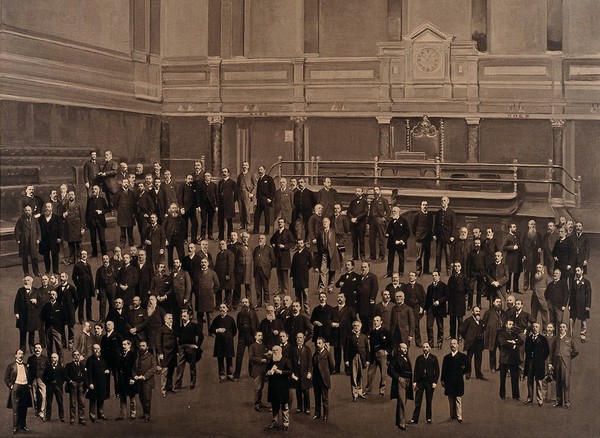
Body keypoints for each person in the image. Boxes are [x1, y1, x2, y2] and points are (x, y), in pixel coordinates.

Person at [549, 322, 578, 409]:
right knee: (558, 382)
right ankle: (559, 401)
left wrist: (568, 357)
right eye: (560, 327)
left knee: (566, 383)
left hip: (565, 364)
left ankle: (567, 402)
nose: (561, 328)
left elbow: (576, 350)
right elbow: (551, 352)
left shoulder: (570, 339)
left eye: (563, 327)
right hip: (557, 363)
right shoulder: (556, 340)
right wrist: (551, 363)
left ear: (566, 329)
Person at [410, 342, 439, 425]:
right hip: (420, 382)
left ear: (430, 348)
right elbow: (415, 371)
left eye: (427, 347)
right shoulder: (419, 358)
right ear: (422, 349)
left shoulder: (434, 358)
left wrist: (435, 382)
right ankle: (414, 419)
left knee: (429, 401)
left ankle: (428, 418)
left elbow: (437, 371)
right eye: (424, 347)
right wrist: (415, 382)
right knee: (418, 401)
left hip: (429, 382)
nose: (425, 349)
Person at [441, 339, 468, 423]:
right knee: (450, 399)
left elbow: (467, 368)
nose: (452, 345)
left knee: (458, 398)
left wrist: (461, 373)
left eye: (454, 344)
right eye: (451, 344)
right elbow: (444, 370)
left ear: (457, 345)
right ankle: (452, 415)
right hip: (449, 381)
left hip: (458, 381)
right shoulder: (446, 358)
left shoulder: (463, 357)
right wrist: (442, 380)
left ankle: (459, 416)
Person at [265, 345, 292, 431]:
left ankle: (286, 423)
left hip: (283, 387)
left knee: (284, 406)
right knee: (274, 405)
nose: (275, 351)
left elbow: (290, 372)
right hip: (273, 387)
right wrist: (268, 373)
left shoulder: (286, 360)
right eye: (273, 350)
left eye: (277, 350)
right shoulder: (271, 362)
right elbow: (267, 372)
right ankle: (275, 422)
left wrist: (281, 372)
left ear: (280, 351)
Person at [175, 308, 203, 389]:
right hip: (182, 349)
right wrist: (178, 348)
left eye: (184, 316)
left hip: (191, 348)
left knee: (192, 367)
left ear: (189, 316)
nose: (183, 318)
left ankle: (192, 383)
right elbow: (177, 339)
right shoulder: (180, 328)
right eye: (182, 316)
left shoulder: (194, 326)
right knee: (180, 367)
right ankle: (177, 385)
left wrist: (197, 345)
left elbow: (201, 336)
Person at [5, 349, 32, 434]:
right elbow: (6, 378)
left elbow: (30, 376)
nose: (21, 355)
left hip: (25, 387)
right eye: (19, 353)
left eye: (22, 354)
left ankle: (23, 426)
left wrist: (29, 384)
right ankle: (15, 427)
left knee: (24, 408)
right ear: (15, 355)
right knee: (16, 409)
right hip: (16, 387)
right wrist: (11, 386)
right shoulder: (11, 366)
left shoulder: (26, 365)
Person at [331, 293, 358, 375]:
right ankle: (337, 368)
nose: (339, 298)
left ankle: (348, 369)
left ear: (345, 299)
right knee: (336, 353)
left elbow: (354, 320)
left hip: (347, 334)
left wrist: (354, 330)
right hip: (336, 335)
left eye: (341, 297)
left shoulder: (350, 309)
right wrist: (332, 324)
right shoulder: (333, 310)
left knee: (347, 352)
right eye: (338, 297)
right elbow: (328, 319)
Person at [387, 343, 413, 430]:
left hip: (408, 381)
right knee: (401, 402)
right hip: (401, 382)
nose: (405, 349)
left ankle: (400, 421)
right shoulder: (395, 358)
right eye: (403, 348)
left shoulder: (406, 358)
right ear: (399, 349)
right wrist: (398, 378)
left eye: (406, 348)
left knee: (403, 401)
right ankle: (402, 423)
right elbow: (390, 370)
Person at [523, 322, 550, 406]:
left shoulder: (543, 339)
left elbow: (547, 351)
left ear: (540, 329)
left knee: (539, 382)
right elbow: (526, 351)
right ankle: (529, 398)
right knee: (529, 381)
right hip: (530, 362)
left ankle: (540, 400)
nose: (535, 328)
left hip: (538, 363)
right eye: (533, 327)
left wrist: (541, 359)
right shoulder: (528, 339)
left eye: (537, 327)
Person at [209, 303, 237, 382]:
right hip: (219, 343)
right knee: (220, 360)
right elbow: (211, 329)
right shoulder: (216, 319)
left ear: (227, 309)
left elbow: (234, 330)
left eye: (224, 307)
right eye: (220, 307)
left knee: (229, 359)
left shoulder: (230, 319)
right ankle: (222, 376)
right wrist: (217, 330)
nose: (222, 309)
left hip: (228, 343)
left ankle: (230, 375)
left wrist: (229, 336)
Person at [365, 315, 392, 397]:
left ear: (381, 322)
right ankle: (368, 390)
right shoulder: (372, 333)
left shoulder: (385, 332)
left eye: (377, 320)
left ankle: (382, 391)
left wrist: (387, 352)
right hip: (373, 355)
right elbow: (371, 345)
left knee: (383, 374)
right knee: (370, 373)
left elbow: (391, 343)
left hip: (382, 354)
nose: (376, 322)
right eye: (374, 321)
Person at [233, 298, 259, 379]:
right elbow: (238, 326)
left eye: (246, 302)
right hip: (242, 337)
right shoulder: (239, 314)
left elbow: (257, 324)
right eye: (243, 302)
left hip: (251, 336)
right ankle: (237, 374)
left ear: (249, 304)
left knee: (252, 355)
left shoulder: (253, 313)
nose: (244, 304)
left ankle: (251, 372)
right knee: (239, 355)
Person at [459, 307, 487, 380]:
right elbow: (461, 330)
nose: (478, 312)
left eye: (478, 311)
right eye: (476, 311)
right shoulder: (468, 320)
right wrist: (467, 337)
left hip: (479, 343)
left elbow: (484, 329)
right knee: (469, 359)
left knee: (478, 359)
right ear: (472, 312)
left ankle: (479, 374)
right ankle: (468, 373)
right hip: (471, 343)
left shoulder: (481, 321)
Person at [498, 319, 523, 400]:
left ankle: (516, 396)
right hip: (504, 359)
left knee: (515, 378)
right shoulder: (501, 334)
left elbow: (521, 341)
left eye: (512, 324)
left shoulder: (515, 334)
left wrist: (512, 341)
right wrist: (513, 344)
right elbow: (503, 343)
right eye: (510, 324)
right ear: (506, 325)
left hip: (514, 359)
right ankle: (502, 395)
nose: (511, 326)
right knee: (502, 378)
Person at [345, 320, 369, 401]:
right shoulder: (349, 337)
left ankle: (360, 392)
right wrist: (346, 360)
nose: (356, 327)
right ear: (353, 327)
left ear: (361, 326)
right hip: (353, 358)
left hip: (362, 358)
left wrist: (367, 360)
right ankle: (354, 394)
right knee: (354, 376)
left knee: (360, 375)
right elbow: (346, 349)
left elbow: (367, 349)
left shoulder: (364, 337)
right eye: (355, 326)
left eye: (358, 326)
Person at [133, 340, 157, 422]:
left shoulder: (152, 356)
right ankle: (144, 413)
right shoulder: (138, 357)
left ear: (147, 347)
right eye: (140, 346)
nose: (141, 347)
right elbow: (133, 369)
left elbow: (154, 368)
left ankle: (147, 415)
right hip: (139, 381)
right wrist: (135, 375)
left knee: (147, 399)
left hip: (147, 381)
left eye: (143, 346)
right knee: (141, 398)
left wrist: (145, 376)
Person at [311, 337, 334, 422]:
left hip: (324, 379)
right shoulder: (315, 354)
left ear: (324, 344)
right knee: (317, 397)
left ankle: (325, 415)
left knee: (325, 398)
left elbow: (332, 366)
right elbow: (313, 365)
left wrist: (326, 374)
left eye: (320, 343)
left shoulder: (328, 354)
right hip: (316, 379)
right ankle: (317, 413)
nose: (318, 345)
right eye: (317, 343)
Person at [85, 343, 110, 422]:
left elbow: (106, 368)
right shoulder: (90, 359)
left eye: (98, 348)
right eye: (95, 349)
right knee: (93, 400)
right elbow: (88, 373)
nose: (96, 350)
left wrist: (107, 370)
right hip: (94, 383)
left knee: (101, 399)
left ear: (100, 349)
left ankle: (101, 414)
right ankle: (92, 416)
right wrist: (90, 383)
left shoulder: (102, 359)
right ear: (93, 350)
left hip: (102, 383)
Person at [270, 218, 295, 295]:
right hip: (278, 256)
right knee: (278, 273)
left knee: (284, 274)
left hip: (285, 257)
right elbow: (271, 240)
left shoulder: (288, 232)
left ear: (284, 224)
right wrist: (273, 244)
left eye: (281, 222)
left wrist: (284, 246)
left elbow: (292, 243)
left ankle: (285, 290)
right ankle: (280, 289)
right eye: (279, 222)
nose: (280, 223)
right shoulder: (277, 232)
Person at [15, 205, 41, 277]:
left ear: (31, 211)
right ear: (24, 211)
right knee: (25, 259)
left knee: (34, 258)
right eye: (26, 210)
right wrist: (18, 240)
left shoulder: (34, 220)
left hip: (33, 242)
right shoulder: (21, 220)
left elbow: (39, 230)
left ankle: (36, 272)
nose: (27, 212)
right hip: (24, 242)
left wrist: (38, 239)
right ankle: (26, 272)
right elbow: (17, 230)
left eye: (29, 210)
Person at [290, 332, 313, 415]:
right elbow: (290, 362)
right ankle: (299, 407)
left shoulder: (307, 349)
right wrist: (292, 373)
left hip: (305, 373)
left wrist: (309, 372)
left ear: (304, 339)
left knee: (306, 391)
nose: (299, 339)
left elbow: (310, 362)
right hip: (296, 374)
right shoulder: (293, 349)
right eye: (297, 338)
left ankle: (307, 408)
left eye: (300, 337)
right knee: (298, 391)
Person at [385, 206, 410, 278]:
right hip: (391, 243)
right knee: (390, 259)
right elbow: (388, 230)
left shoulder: (404, 221)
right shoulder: (391, 221)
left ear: (399, 212)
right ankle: (389, 272)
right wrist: (387, 233)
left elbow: (407, 232)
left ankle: (401, 272)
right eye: (392, 211)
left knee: (401, 258)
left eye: (394, 211)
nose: (393, 213)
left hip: (400, 243)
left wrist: (402, 240)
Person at [433, 196, 456, 275]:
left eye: (445, 200)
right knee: (438, 253)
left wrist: (452, 235)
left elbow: (453, 225)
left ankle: (449, 269)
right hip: (439, 237)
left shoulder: (451, 213)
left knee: (448, 254)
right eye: (442, 200)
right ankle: (437, 268)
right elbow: (435, 225)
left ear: (448, 202)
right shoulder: (438, 213)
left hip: (447, 237)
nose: (443, 202)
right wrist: (434, 234)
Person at [402, 271, 426, 346]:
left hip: (416, 308)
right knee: (407, 325)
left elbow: (424, 298)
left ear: (415, 277)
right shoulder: (405, 287)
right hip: (408, 307)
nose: (411, 277)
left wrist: (422, 307)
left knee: (416, 325)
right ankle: (407, 342)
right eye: (410, 275)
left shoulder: (420, 287)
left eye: (412, 275)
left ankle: (418, 342)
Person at [317, 217, 341, 293]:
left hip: (333, 253)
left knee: (332, 271)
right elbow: (318, 244)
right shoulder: (320, 232)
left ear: (329, 222)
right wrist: (320, 251)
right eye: (323, 222)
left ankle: (330, 287)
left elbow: (342, 236)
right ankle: (322, 288)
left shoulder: (333, 231)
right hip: (324, 254)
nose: (325, 223)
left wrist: (338, 243)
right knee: (322, 270)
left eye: (326, 222)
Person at [483, 297, 506, 374]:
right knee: (492, 351)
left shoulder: (503, 313)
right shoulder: (488, 312)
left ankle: (501, 365)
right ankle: (492, 367)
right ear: (493, 303)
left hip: (501, 334)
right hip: (492, 335)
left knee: (503, 350)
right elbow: (484, 323)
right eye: (497, 302)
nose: (499, 303)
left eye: (500, 302)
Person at [425, 271, 447, 349]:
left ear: (439, 276)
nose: (434, 277)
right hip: (431, 309)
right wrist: (425, 308)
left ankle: (439, 343)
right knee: (429, 326)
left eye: (436, 275)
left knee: (440, 327)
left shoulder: (444, 286)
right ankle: (430, 343)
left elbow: (447, 296)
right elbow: (427, 299)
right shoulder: (430, 287)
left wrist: (439, 301)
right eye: (433, 275)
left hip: (440, 309)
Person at [116, 339, 137, 420]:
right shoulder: (123, 354)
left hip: (130, 379)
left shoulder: (132, 354)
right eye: (123, 344)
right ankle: (123, 415)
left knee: (132, 398)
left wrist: (132, 378)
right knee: (123, 397)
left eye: (125, 344)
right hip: (123, 380)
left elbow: (134, 368)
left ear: (129, 345)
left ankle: (133, 415)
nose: (123, 346)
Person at [64, 350, 87, 425]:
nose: (76, 356)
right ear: (72, 356)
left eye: (78, 355)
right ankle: (72, 419)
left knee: (82, 403)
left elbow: (85, 375)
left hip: (81, 385)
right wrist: (70, 381)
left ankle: (81, 418)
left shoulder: (82, 365)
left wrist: (84, 384)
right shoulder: (69, 365)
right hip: (73, 385)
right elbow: (65, 375)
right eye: (75, 355)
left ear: (79, 356)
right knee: (73, 403)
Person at [157, 313, 177, 397]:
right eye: (169, 318)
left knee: (171, 371)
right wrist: (160, 353)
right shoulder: (161, 329)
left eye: (172, 318)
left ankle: (169, 387)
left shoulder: (173, 328)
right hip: (165, 353)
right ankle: (163, 389)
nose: (171, 319)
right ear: (165, 320)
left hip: (173, 353)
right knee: (165, 372)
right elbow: (158, 342)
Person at [569, 266, 592, 343]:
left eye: (578, 270)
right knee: (572, 320)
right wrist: (569, 304)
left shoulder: (586, 282)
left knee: (583, 321)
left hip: (583, 305)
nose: (577, 272)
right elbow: (571, 294)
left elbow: (589, 295)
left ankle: (583, 335)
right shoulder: (574, 282)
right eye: (576, 271)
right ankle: (570, 335)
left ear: (582, 271)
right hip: (574, 304)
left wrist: (588, 305)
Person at [39, 202, 62, 275]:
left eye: (49, 207)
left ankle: (55, 270)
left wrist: (59, 237)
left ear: (52, 208)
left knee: (55, 255)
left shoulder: (57, 218)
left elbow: (60, 229)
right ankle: (47, 270)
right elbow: (38, 230)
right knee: (46, 256)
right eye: (46, 207)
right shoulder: (41, 218)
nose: (47, 208)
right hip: (44, 240)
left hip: (54, 240)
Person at [253, 234, 276, 308]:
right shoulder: (256, 249)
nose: (260, 239)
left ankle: (266, 303)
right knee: (258, 288)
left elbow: (273, 261)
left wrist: (268, 268)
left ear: (265, 240)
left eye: (262, 238)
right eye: (259, 238)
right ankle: (258, 302)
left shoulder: (269, 249)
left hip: (265, 271)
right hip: (257, 271)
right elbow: (254, 259)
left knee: (266, 288)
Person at [411, 200, 433, 276]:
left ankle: (426, 270)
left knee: (427, 255)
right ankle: (418, 270)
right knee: (419, 255)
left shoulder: (430, 215)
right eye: (423, 205)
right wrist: (417, 235)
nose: (425, 206)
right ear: (421, 206)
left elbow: (431, 227)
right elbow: (413, 227)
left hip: (428, 238)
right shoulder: (417, 215)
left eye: (426, 205)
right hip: (420, 238)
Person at [85, 185, 108, 258]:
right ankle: (94, 253)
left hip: (100, 221)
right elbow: (87, 212)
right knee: (93, 238)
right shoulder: (89, 200)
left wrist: (101, 212)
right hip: (92, 221)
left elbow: (107, 209)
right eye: (93, 189)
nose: (94, 190)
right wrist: (87, 222)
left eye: (96, 189)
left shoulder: (102, 200)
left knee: (102, 238)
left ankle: (104, 253)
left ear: (99, 191)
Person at [447, 262, 468, 341]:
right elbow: (448, 289)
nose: (456, 268)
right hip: (452, 301)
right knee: (452, 319)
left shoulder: (464, 277)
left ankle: (460, 335)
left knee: (460, 320)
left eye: (458, 266)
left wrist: (463, 295)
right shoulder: (451, 278)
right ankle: (452, 335)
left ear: (461, 267)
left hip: (460, 301)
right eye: (455, 266)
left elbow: (467, 288)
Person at [27, 343, 48, 421]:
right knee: (35, 397)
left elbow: (48, 371)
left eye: (39, 348)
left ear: (41, 350)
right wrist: (29, 383)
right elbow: (28, 372)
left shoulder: (45, 359)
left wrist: (47, 381)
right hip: (33, 380)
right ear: (34, 349)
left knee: (43, 396)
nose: (37, 349)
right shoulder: (30, 359)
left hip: (42, 380)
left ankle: (42, 412)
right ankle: (36, 412)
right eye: (36, 348)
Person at [356, 261, 378, 334]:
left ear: (368, 268)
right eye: (362, 267)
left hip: (369, 303)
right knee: (362, 319)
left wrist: (372, 299)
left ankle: (369, 334)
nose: (363, 268)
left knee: (369, 320)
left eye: (365, 267)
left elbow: (375, 288)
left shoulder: (372, 277)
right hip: (361, 303)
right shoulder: (359, 277)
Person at [368, 186, 390, 261]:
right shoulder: (373, 201)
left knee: (381, 239)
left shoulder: (384, 200)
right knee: (371, 239)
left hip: (380, 221)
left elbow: (388, 211)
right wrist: (368, 223)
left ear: (380, 191)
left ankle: (381, 256)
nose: (375, 191)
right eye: (374, 190)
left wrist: (384, 218)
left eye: (377, 190)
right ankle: (372, 256)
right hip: (372, 222)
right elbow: (370, 213)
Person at [249, 331, 269, 411]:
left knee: (261, 387)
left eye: (261, 335)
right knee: (257, 387)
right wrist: (261, 360)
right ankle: (256, 404)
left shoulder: (264, 346)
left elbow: (266, 357)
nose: (260, 337)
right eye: (259, 335)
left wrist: (268, 356)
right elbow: (251, 358)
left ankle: (260, 402)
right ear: (255, 337)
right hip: (256, 369)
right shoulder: (252, 346)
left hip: (264, 369)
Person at [72, 250, 94, 324]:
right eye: (83, 254)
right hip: (81, 288)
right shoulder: (77, 265)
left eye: (85, 254)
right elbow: (74, 277)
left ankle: (89, 317)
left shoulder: (88, 265)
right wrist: (78, 284)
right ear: (80, 255)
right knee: (81, 303)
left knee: (89, 303)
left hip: (89, 287)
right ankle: (81, 319)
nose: (84, 255)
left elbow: (91, 277)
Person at [41, 290, 64, 358]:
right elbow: (42, 316)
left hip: (57, 329)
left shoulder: (60, 306)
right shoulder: (46, 306)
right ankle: (49, 362)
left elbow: (63, 318)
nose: (52, 296)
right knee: (49, 347)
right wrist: (48, 319)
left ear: (56, 296)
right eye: (51, 294)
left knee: (59, 347)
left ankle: (61, 363)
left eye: (53, 294)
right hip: (48, 328)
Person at [114, 180, 137, 248]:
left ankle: (131, 242)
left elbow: (134, 204)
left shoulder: (131, 193)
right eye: (124, 182)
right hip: (122, 214)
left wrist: (134, 213)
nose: (126, 184)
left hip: (130, 214)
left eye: (127, 182)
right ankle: (122, 243)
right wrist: (119, 209)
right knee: (123, 230)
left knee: (130, 230)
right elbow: (115, 203)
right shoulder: (118, 193)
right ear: (122, 184)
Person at [253, 165, 276, 234]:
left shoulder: (269, 179)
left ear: (265, 170)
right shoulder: (259, 179)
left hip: (266, 201)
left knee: (266, 216)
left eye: (261, 170)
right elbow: (258, 191)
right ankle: (256, 230)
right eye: (259, 170)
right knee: (256, 216)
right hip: (259, 201)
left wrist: (270, 199)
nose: (260, 171)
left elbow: (273, 190)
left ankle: (266, 231)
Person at [43, 352, 65, 422]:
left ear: (57, 359)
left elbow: (63, 377)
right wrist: (47, 383)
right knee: (49, 402)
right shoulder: (48, 368)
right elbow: (44, 377)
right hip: (50, 387)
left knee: (60, 403)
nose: (53, 359)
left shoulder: (61, 368)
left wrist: (60, 383)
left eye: (55, 357)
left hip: (58, 387)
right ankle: (48, 417)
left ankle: (61, 417)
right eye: (52, 357)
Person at [347, 187, 369, 261]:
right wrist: (351, 218)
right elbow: (348, 212)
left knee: (362, 241)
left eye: (359, 191)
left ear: (362, 192)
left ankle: (362, 256)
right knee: (354, 241)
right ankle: (355, 256)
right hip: (353, 225)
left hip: (361, 224)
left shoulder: (365, 202)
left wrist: (356, 218)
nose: (357, 193)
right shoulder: (352, 202)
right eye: (356, 191)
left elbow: (365, 212)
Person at [232, 232, 252, 309]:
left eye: (246, 237)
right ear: (241, 238)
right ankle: (236, 303)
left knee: (248, 287)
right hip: (239, 270)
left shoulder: (250, 248)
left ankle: (249, 304)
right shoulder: (237, 247)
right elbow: (235, 260)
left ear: (248, 238)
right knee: (237, 287)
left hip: (248, 271)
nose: (245, 238)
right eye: (243, 237)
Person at [290, 239, 311, 313]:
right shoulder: (295, 254)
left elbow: (311, 264)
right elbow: (292, 266)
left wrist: (305, 269)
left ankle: (306, 309)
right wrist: (292, 275)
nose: (300, 245)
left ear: (304, 244)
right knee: (297, 295)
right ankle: (299, 308)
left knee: (305, 294)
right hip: (296, 278)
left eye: (301, 243)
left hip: (304, 277)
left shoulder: (307, 253)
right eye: (298, 243)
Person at [522, 220, 543, 291]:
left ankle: (532, 285)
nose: (533, 225)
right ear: (528, 225)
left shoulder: (538, 234)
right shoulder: (525, 234)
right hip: (527, 255)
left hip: (535, 256)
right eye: (531, 224)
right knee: (526, 271)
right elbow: (522, 245)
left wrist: (540, 248)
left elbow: (541, 244)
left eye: (534, 224)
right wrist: (523, 254)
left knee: (534, 271)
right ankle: (525, 285)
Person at [178, 174, 199, 243]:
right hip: (185, 209)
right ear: (185, 179)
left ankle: (194, 240)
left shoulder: (194, 187)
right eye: (189, 178)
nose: (190, 180)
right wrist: (181, 208)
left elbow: (196, 198)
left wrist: (196, 207)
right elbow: (180, 198)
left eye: (191, 179)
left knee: (195, 223)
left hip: (192, 209)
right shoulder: (182, 186)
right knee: (184, 225)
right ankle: (184, 239)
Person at [467, 238, 487, 309]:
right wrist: (468, 274)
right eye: (476, 243)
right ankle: (469, 305)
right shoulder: (470, 254)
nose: (477, 245)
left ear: (480, 244)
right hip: (473, 274)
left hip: (481, 274)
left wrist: (484, 274)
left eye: (478, 243)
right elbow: (468, 265)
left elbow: (485, 264)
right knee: (470, 289)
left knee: (479, 290)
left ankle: (479, 304)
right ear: (474, 244)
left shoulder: (483, 254)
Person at [236, 161, 256, 230]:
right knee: (241, 209)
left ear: (248, 166)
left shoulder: (251, 175)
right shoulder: (240, 175)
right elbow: (237, 185)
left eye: (246, 165)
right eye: (243, 165)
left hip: (247, 193)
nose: (244, 166)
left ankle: (248, 224)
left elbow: (255, 185)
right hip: (240, 193)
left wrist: (252, 193)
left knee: (247, 209)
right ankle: (242, 224)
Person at [217, 168, 236, 241]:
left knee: (229, 222)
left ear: (228, 173)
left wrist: (232, 201)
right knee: (220, 222)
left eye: (225, 172)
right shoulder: (220, 182)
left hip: (229, 205)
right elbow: (219, 193)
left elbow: (236, 193)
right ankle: (220, 237)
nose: (224, 173)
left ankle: (229, 237)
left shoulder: (232, 182)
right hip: (221, 205)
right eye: (222, 172)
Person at [215, 240, 235, 306]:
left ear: (226, 245)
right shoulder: (218, 254)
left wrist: (228, 274)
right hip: (219, 276)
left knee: (228, 291)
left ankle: (228, 305)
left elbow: (231, 265)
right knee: (218, 291)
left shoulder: (230, 253)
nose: (221, 246)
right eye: (220, 244)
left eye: (223, 244)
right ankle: (218, 305)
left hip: (226, 276)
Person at [531, 263, 551, 328]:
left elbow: (550, 289)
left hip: (543, 300)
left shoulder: (547, 277)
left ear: (543, 269)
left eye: (540, 267)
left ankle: (545, 332)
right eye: (537, 267)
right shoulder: (535, 276)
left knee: (545, 318)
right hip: (534, 299)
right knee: (533, 317)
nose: (538, 269)